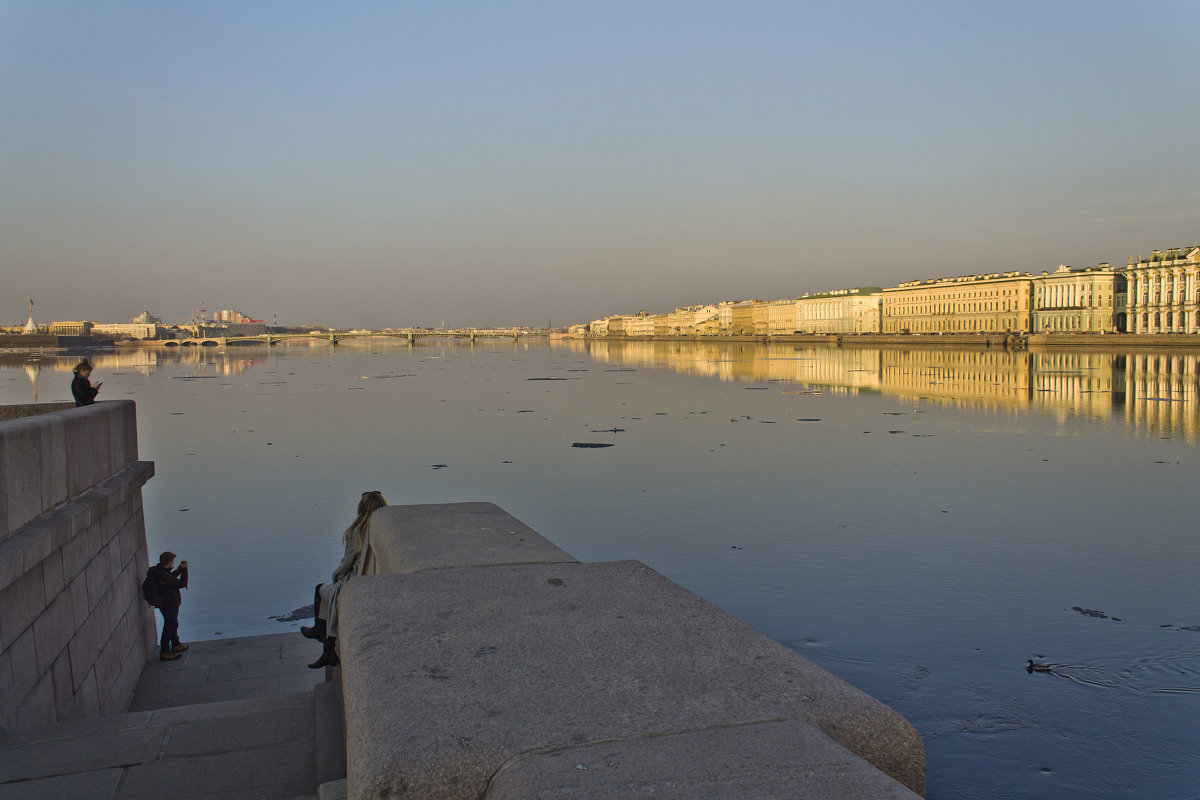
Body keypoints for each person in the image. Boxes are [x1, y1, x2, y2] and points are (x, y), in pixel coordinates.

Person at [302, 491, 387, 668]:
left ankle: (324, 638)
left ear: (361, 508)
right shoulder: (387, 529)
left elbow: (346, 563)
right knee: (332, 593)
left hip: (358, 579)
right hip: (378, 578)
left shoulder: (356, 531)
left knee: (322, 589)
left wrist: (336, 577)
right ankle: (325, 644)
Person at [149, 551, 189, 661]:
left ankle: (175, 644)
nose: (173, 563)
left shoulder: (158, 570)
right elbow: (181, 583)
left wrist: (179, 569)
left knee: (173, 623)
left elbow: (170, 577)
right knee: (169, 626)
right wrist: (185, 570)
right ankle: (165, 652)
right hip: (168, 604)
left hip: (165, 603)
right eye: (172, 561)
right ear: (169, 562)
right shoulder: (163, 575)